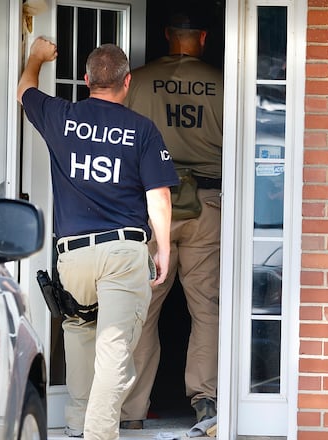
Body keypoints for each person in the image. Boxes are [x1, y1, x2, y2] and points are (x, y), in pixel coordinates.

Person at [17, 38, 179, 439]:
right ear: (127, 83)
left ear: (87, 79)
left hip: (73, 256)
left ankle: (76, 424)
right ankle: (99, 434)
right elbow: (158, 196)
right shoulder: (142, 130)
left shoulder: (62, 116)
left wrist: (36, 58)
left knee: (79, 335)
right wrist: (163, 249)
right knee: (113, 351)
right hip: (122, 253)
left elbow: (23, 93)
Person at [120, 11, 224, 428]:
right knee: (207, 308)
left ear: (166, 35)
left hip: (150, 204)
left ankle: (130, 410)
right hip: (208, 203)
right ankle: (207, 399)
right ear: (202, 36)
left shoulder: (138, 81)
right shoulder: (224, 82)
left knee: (141, 309)